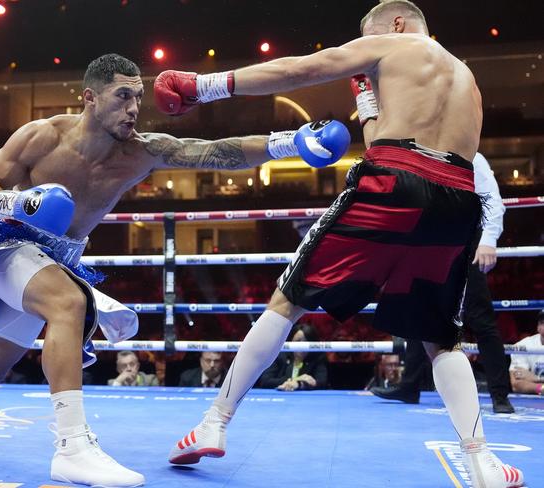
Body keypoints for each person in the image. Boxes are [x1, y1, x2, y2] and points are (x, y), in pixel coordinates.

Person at [0, 54, 349, 488]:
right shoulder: (43, 136)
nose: (134, 109)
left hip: (55, 258)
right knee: (68, 302)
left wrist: (289, 142)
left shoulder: (141, 152)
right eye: (122, 97)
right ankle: (72, 448)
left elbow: (212, 152)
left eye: (137, 97)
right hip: (4, 241)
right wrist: (17, 202)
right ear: (89, 98)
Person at [157, 2, 524, 486]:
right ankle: (482, 462)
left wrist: (204, 87)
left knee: (287, 301)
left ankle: (213, 424)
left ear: (395, 24)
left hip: (393, 183)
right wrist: (369, 105)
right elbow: (396, 142)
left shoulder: (394, 43)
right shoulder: (467, 79)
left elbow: (300, 70)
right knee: (442, 338)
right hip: (457, 202)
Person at [370, 152, 516, 414]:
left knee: (480, 318)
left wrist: (489, 240)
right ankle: (409, 386)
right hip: (428, 240)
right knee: (418, 311)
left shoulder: (471, 155)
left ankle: (499, 395)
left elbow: (492, 198)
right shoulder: (421, 153)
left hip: (465, 239)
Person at [259, 323, 328, 390]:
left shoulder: (318, 358)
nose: (302, 345)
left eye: (306, 341)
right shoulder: (279, 355)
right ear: (290, 341)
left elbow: (321, 383)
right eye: (298, 341)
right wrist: (295, 380)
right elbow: (265, 381)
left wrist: (299, 384)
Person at [509, 310, 544, 395]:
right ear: (538, 327)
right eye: (542, 323)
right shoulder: (523, 346)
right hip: (535, 401)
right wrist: (541, 388)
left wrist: (537, 378)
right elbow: (516, 384)